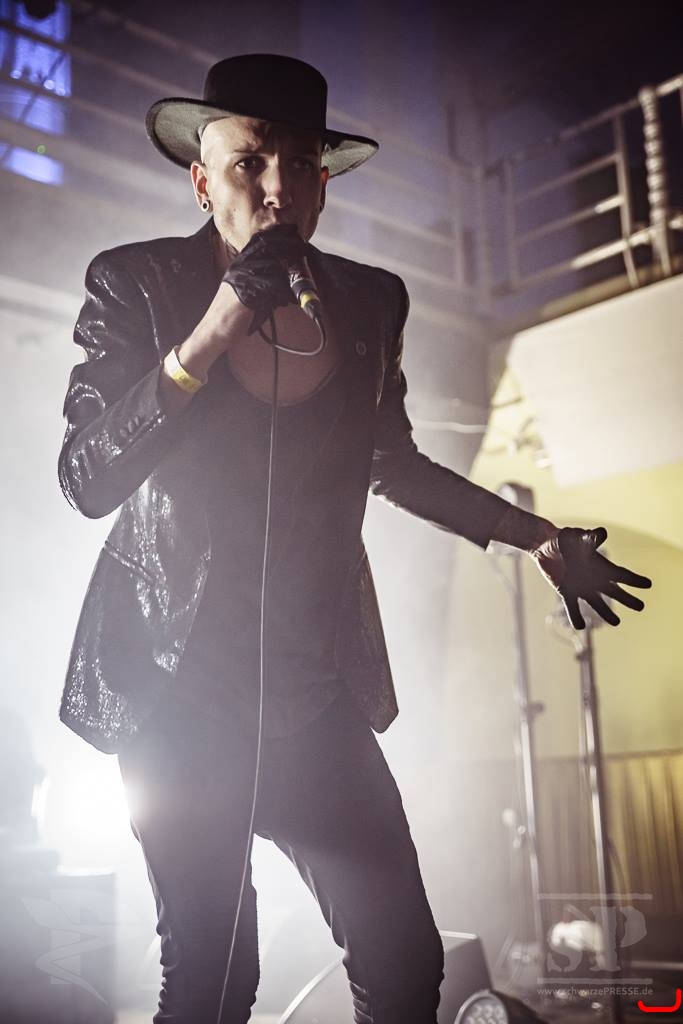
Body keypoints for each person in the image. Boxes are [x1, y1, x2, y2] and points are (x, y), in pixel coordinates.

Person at [57, 54, 651, 1024]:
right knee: (214, 983)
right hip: (176, 696)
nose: (278, 186)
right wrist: (214, 328)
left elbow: (393, 462)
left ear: (323, 184)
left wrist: (535, 533)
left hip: (309, 695)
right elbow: (87, 478)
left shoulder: (369, 304)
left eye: (300, 162)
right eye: (249, 162)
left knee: (406, 962)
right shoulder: (137, 283)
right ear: (202, 182)